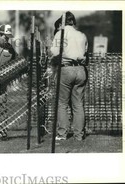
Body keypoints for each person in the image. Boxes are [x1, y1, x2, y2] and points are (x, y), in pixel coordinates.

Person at [50, 11, 89, 141]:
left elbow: (54, 52)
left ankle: (62, 134)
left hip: (66, 69)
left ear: (61, 22)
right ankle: (79, 135)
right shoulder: (82, 35)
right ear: (73, 21)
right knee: (78, 104)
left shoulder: (60, 34)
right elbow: (86, 52)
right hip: (81, 69)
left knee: (62, 104)